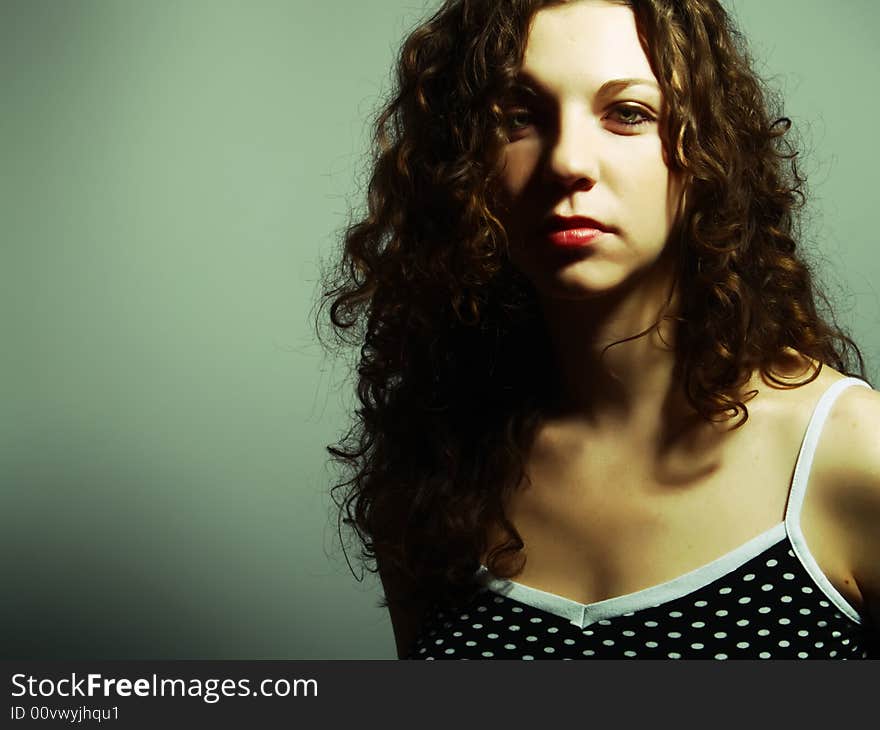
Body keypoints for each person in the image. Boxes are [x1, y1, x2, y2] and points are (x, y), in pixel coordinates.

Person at [319, 0, 879, 660]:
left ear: (705, 151)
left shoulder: (851, 457)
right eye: (519, 118)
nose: (568, 163)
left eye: (628, 114)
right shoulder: (435, 474)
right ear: (464, 166)